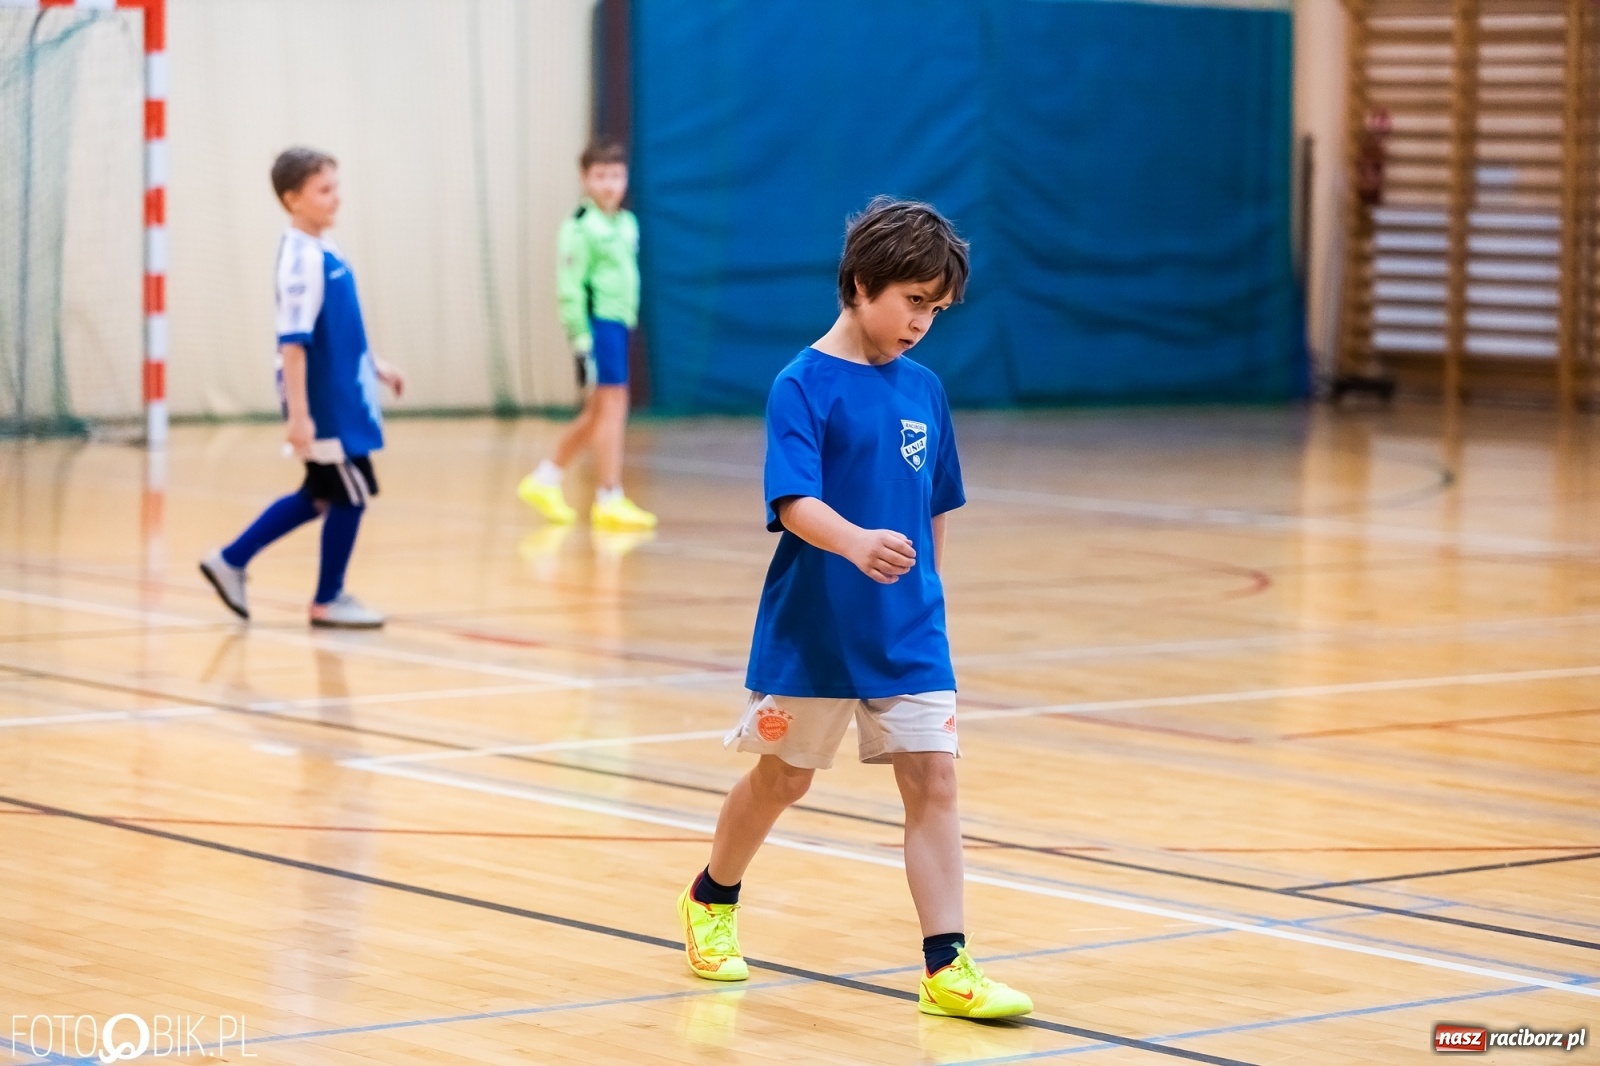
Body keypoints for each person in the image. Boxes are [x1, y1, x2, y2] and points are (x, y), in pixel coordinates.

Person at [676, 197, 1032, 1019]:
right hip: (816, 629)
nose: (922, 324)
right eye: (913, 301)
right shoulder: (802, 385)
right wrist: (857, 543)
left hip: (909, 633)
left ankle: (948, 967)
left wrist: (926, 589)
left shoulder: (926, 391)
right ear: (862, 284)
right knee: (785, 778)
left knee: (933, 778)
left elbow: (936, 499)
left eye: (936, 310)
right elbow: (794, 502)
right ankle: (710, 898)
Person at [199, 147, 404, 629]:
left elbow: (338, 330)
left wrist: (373, 365)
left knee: (320, 494)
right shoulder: (299, 261)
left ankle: (230, 560)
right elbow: (293, 345)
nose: (336, 198)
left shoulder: (324, 250)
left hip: (343, 397)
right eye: (324, 190)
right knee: (351, 495)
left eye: (336, 187)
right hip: (325, 406)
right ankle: (327, 599)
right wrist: (299, 416)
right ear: (293, 200)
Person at [518, 138, 656, 532]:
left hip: (620, 322)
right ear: (584, 180)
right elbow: (570, 286)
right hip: (599, 326)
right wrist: (581, 339)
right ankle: (608, 496)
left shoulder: (627, 224)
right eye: (600, 176)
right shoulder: (581, 228)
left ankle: (545, 478)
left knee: (600, 411)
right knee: (612, 409)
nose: (609, 184)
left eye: (616, 175)